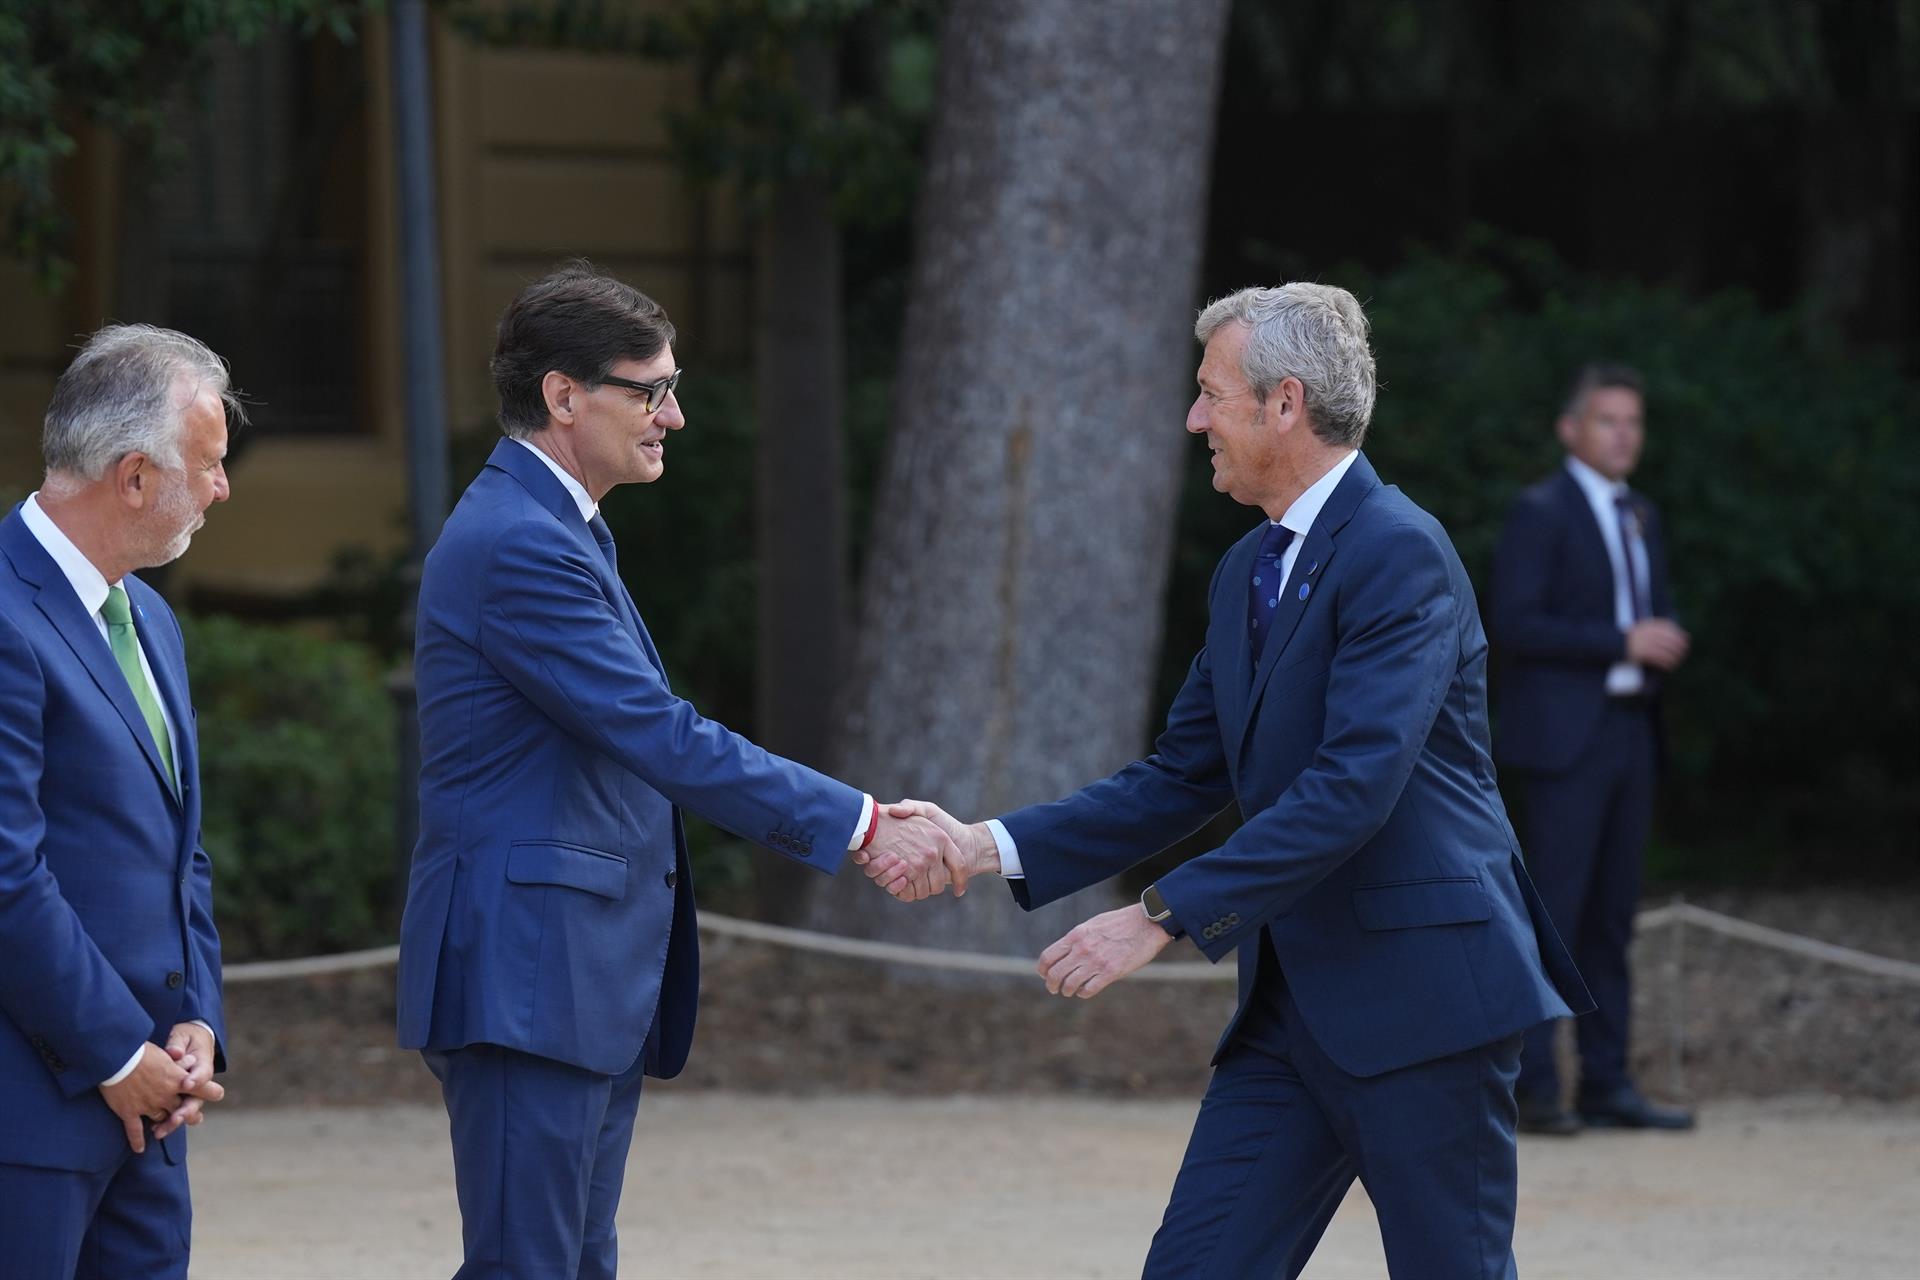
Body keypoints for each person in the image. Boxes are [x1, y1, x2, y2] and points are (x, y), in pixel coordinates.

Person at [894, 284, 1591, 1279]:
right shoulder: (1247, 570)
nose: (1194, 418)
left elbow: (1354, 785)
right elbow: (1181, 775)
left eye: (1211, 393)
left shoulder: (1401, 552)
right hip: (1288, 1017)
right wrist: (983, 845)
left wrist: (1161, 914)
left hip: (1428, 1002)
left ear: (1284, 403)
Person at [395, 261, 960, 1280]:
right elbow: (663, 736)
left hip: (569, 980)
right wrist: (865, 824)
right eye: (650, 390)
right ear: (564, 396)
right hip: (531, 977)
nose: (675, 416)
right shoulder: (520, 541)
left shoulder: (553, 526)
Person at [0, 325, 234, 1278]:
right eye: (209, 464)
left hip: (156, 1115)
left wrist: (200, 1025)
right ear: (135, 477)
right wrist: (114, 1054)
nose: (222, 488)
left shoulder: (150, 617)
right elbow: (6, 875)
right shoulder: (5, 616)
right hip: (32, 1120)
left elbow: (183, 851)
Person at [1490, 363, 1694, 1135]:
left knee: (1613, 918)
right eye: (1608, 420)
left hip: (1631, 732)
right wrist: (1621, 641)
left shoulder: (1642, 512)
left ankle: (1607, 1083)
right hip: (1562, 743)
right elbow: (1513, 622)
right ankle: (1535, 1088)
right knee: (1554, 914)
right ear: (1570, 429)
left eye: (1633, 422)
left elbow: (1649, 611)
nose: (1624, 435)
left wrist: (1658, 639)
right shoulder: (1540, 511)